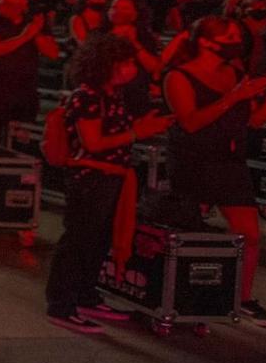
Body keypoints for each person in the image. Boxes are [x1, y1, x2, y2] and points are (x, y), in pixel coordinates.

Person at [162, 17, 266, 327]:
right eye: (229, 36)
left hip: (229, 159)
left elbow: (253, 121)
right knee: (192, 230)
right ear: (205, 41)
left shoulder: (234, 72)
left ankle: (243, 298)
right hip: (194, 159)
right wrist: (234, 97)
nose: (236, 40)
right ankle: (187, 295)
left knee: (250, 233)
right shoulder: (178, 76)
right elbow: (190, 122)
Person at [47, 33, 173, 335]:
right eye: (126, 62)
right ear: (107, 64)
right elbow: (93, 142)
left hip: (113, 176)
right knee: (79, 240)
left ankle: (87, 295)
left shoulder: (112, 95)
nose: (132, 68)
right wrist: (137, 133)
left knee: (98, 240)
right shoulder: (87, 96)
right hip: (91, 180)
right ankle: (62, 305)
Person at [0, 0, 60, 145]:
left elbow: (52, 53)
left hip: (25, 92)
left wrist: (36, 33)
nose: (1, 4)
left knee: (21, 142)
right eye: (1, 0)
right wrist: (25, 36)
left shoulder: (33, 22)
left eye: (8, 2)